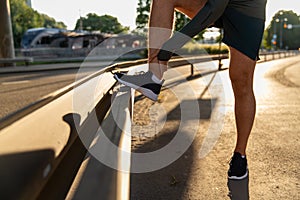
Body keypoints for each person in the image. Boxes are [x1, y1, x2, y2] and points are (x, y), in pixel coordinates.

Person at [114, 0, 267, 180]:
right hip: (218, 5)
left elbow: (213, 9)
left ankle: (240, 155)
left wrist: (170, 47)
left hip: (247, 14)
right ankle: (153, 77)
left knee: (241, 82)